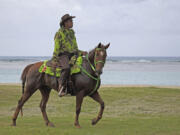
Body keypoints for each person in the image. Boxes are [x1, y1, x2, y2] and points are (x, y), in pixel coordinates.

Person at [52, 14, 87, 97]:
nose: (72, 22)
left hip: (73, 55)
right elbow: (56, 48)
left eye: (72, 21)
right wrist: (54, 59)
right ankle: (61, 87)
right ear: (65, 23)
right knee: (67, 68)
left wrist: (81, 52)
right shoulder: (59, 33)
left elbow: (75, 48)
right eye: (70, 21)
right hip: (63, 55)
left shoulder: (72, 33)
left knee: (83, 64)